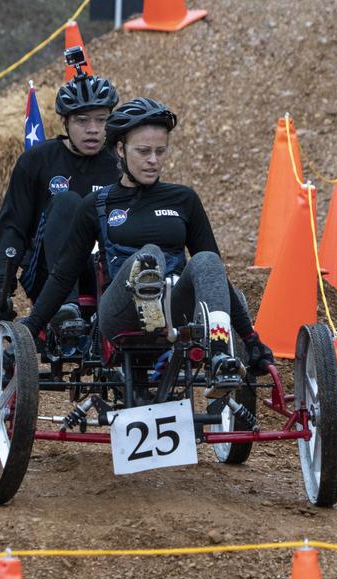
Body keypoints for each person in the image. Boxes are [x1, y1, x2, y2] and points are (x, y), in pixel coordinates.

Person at [19, 97, 275, 386]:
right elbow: (64, 274)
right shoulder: (97, 204)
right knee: (150, 254)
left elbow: (215, 277)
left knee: (207, 259)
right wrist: (32, 326)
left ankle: (219, 356)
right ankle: (148, 304)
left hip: (174, 310)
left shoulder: (184, 199)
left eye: (160, 151)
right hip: (119, 312)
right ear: (120, 149)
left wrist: (250, 339)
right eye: (143, 151)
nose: (153, 160)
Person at [0, 69, 120, 324]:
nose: (93, 129)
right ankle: (65, 306)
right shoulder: (36, 161)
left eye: (101, 120)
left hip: (105, 270)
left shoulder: (119, 164)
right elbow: (13, 227)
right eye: (82, 121)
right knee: (68, 202)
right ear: (65, 122)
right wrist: (2, 287)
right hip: (48, 273)